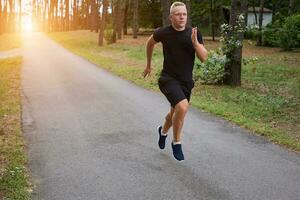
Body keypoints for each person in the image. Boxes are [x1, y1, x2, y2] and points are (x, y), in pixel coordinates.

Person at [143, 1, 208, 161]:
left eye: (184, 14)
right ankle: (176, 142)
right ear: (171, 17)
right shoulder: (163, 32)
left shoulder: (194, 33)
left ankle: (163, 132)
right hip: (168, 79)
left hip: (186, 82)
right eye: (178, 14)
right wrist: (149, 65)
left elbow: (203, 58)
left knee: (174, 112)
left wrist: (195, 44)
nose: (182, 17)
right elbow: (150, 43)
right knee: (182, 107)